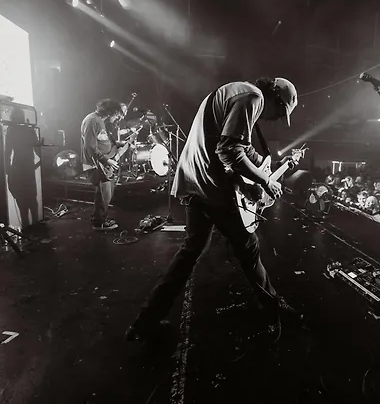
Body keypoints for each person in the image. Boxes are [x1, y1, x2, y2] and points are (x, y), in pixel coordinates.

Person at [126, 77, 300, 342]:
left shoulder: (237, 91)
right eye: (279, 113)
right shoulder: (253, 98)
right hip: (212, 187)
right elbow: (229, 151)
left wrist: (270, 167)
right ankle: (273, 309)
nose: (275, 119)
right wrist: (265, 180)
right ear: (274, 97)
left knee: (189, 253)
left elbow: (242, 148)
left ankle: (144, 322)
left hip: (193, 181)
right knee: (249, 249)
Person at [81, 98, 126, 231]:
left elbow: (102, 141)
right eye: (117, 115)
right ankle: (99, 223)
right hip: (97, 164)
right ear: (110, 112)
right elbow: (90, 146)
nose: (117, 118)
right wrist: (106, 160)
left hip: (102, 162)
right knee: (103, 193)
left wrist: (117, 144)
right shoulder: (92, 120)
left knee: (105, 193)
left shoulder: (99, 121)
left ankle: (99, 218)